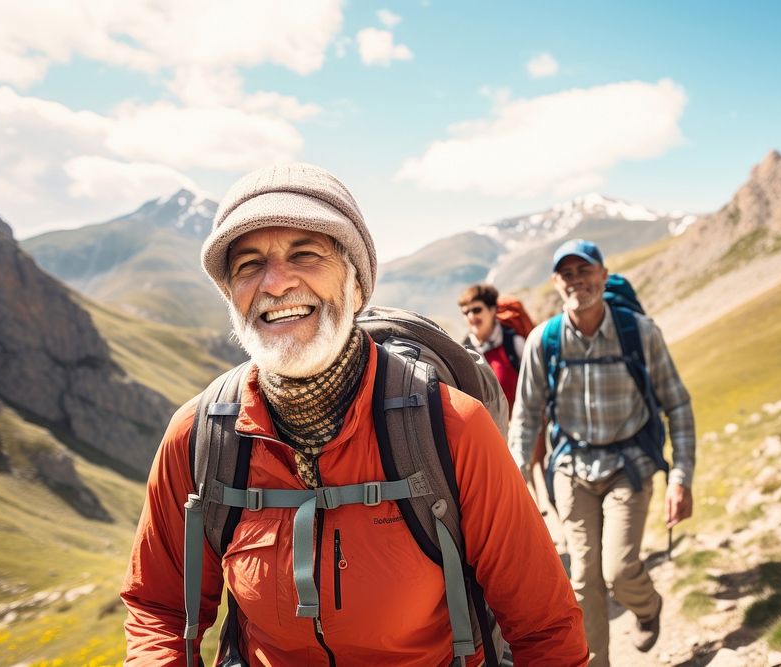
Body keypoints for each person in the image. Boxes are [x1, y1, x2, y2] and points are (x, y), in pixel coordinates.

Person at [121, 163, 588, 665]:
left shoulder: (450, 428)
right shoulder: (199, 437)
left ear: (358, 285)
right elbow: (159, 608)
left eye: (306, 253)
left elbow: (544, 627)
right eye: (248, 265)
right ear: (231, 297)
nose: (275, 284)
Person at [508, 239, 695, 667]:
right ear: (557, 283)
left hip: (629, 466)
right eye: (567, 274)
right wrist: (517, 473)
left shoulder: (639, 333)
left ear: (603, 276)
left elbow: (677, 404)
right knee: (582, 580)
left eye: (584, 270)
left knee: (619, 570)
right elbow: (528, 413)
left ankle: (647, 607)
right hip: (571, 469)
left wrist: (681, 477)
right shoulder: (545, 341)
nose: (577, 281)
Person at [458, 283, 526, 411]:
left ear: (492, 309)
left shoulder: (514, 343)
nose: (471, 316)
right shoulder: (464, 353)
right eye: (466, 312)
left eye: (477, 310)